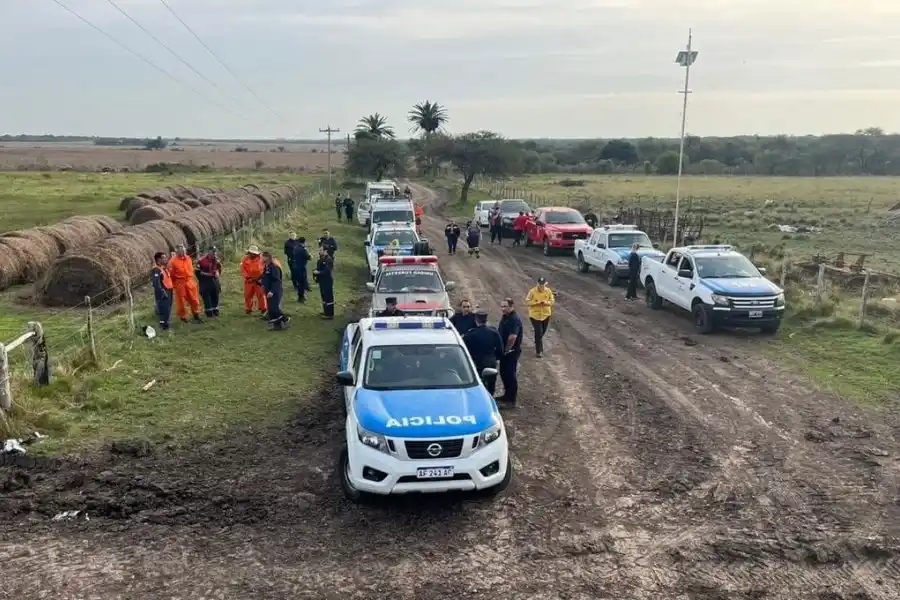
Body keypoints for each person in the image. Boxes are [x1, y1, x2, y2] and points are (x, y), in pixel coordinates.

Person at [462, 310, 504, 395]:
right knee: (491, 384)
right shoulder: (493, 331)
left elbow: (464, 349)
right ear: (486, 320)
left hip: (476, 363)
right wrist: (497, 358)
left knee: (477, 384)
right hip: (490, 361)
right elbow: (500, 348)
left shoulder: (471, 334)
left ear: (476, 320)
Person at [167, 244, 203, 324]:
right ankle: (183, 317)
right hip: (180, 282)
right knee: (182, 301)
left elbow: (191, 269)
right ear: (176, 251)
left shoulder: (188, 258)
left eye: (183, 249)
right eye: (180, 249)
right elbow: (171, 275)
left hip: (190, 281)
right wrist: (175, 285)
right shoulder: (172, 261)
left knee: (194, 299)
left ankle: (196, 314)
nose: (183, 251)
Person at [497, 297, 523, 406]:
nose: (503, 309)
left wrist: (506, 350)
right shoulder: (505, 316)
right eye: (502, 306)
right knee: (503, 373)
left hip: (511, 352)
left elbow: (512, 337)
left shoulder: (514, 319)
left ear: (511, 307)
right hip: (506, 351)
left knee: (510, 374)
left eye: (505, 306)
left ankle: (511, 400)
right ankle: (506, 395)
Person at [525, 277, 555, 358]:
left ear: (545, 284)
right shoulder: (532, 291)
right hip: (535, 316)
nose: (541, 286)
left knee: (542, 332)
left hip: (546, 315)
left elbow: (552, 301)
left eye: (542, 284)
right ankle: (539, 351)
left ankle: (537, 340)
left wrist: (546, 302)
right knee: (539, 332)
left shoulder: (548, 291)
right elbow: (527, 301)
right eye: (539, 284)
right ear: (537, 283)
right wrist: (536, 303)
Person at [261, 251, 289, 330]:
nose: (261, 259)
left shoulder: (274, 267)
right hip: (268, 291)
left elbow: (276, 280)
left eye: (262, 257)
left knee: (274, 308)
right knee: (271, 309)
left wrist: (272, 291)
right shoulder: (267, 266)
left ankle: (285, 318)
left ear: (266, 257)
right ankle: (277, 326)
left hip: (274, 291)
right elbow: (265, 277)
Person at [240, 244, 268, 317]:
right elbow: (242, 269)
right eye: (250, 253)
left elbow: (264, 269)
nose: (250, 254)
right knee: (247, 295)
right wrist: (247, 277)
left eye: (252, 253)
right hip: (249, 280)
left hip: (259, 280)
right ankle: (248, 309)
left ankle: (263, 309)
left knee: (261, 294)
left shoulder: (261, 260)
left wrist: (260, 278)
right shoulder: (245, 259)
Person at [150, 251, 173, 331]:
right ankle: (164, 326)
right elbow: (156, 283)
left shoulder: (163, 268)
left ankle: (166, 324)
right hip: (163, 292)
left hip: (169, 290)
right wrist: (163, 292)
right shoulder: (156, 270)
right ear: (159, 259)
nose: (166, 259)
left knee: (168, 308)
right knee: (164, 309)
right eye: (164, 257)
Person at [196, 246, 222, 318]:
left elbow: (219, 268)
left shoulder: (217, 260)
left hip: (215, 281)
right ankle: (209, 313)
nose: (214, 253)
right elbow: (197, 271)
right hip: (206, 281)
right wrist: (203, 277)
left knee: (215, 296)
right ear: (209, 252)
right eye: (213, 251)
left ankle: (215, 311)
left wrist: (218, 273)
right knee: (207, 298)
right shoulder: (202, 261)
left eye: (215, 251)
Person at [314, 246, 335, 319]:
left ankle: (329, 314)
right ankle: (326, 311)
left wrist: (318, 272)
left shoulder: (328, 260)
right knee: (324, 297)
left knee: (328, 298)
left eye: (321, 250)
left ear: (325, 251)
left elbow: (327, 271)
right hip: (322, 281)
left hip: (327, 281)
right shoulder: (321, 259)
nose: (319, 251)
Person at [291, 236, 312, 302]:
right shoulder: (303, 249)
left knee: (299, 282)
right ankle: (301, 297)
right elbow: (309, 257)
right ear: (304, 242)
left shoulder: (295, 248)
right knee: (302, 283)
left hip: (295, 267)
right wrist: (310, 254)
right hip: (301, 268)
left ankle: (301, 295)